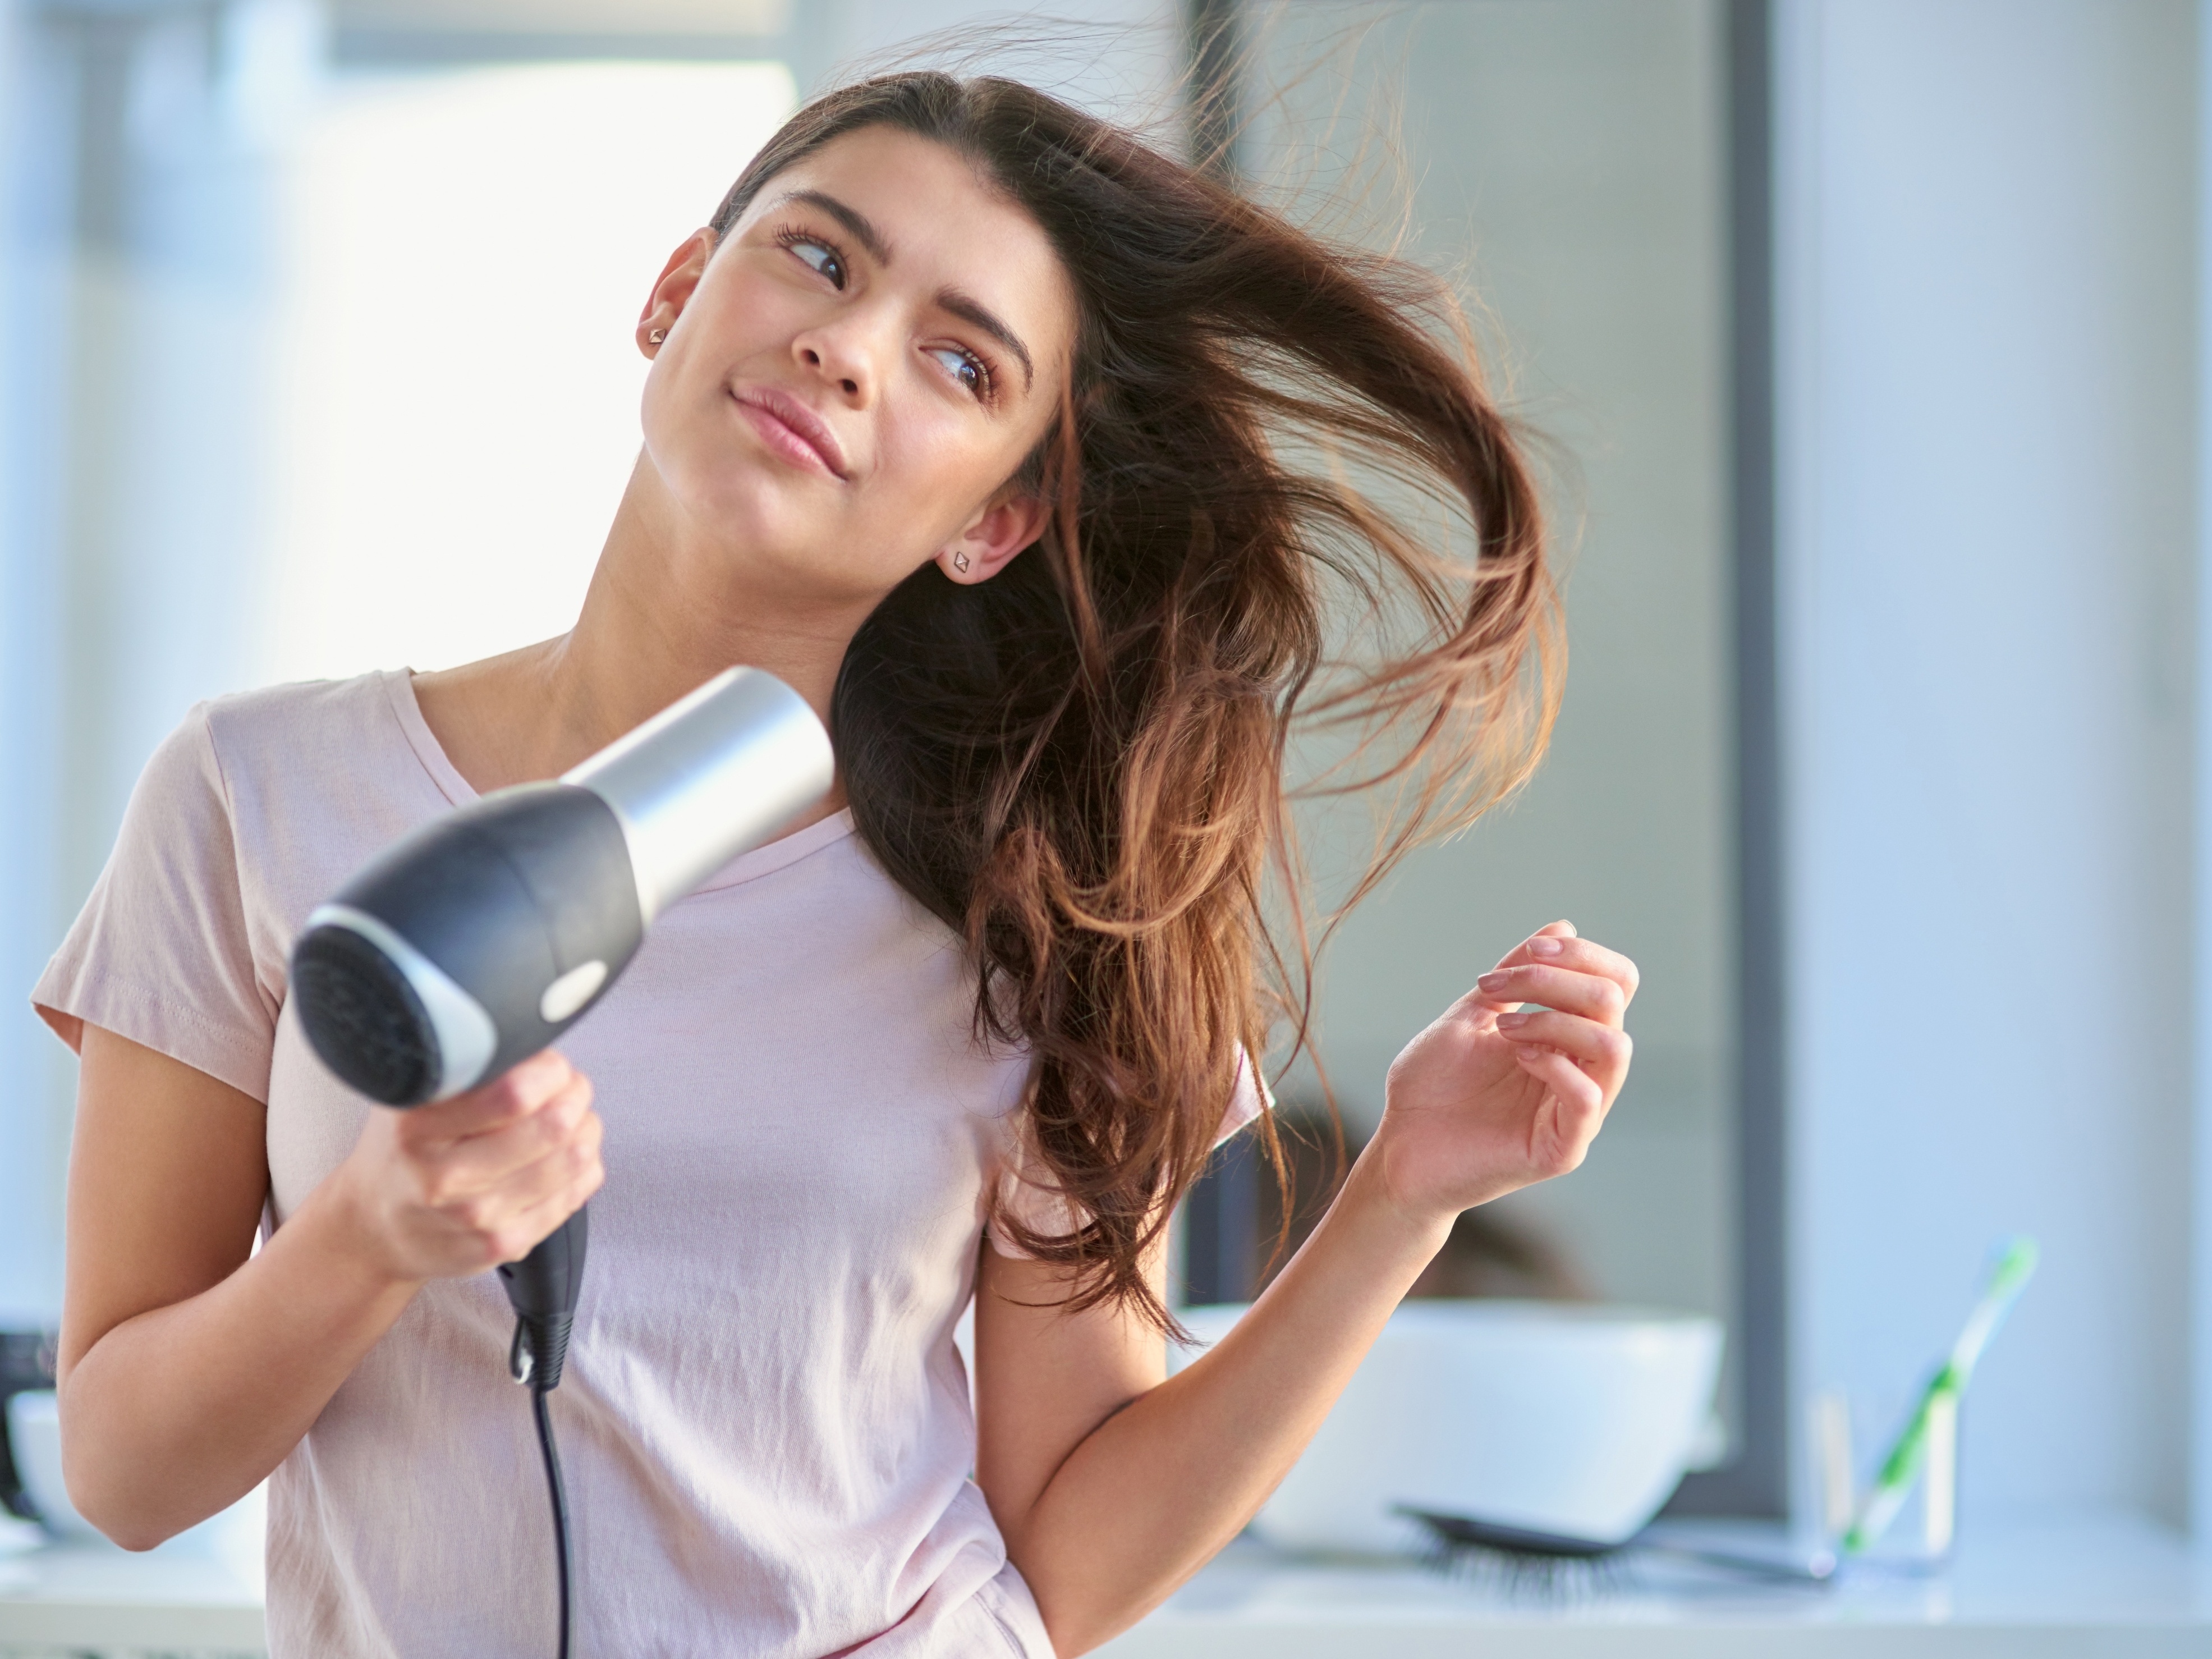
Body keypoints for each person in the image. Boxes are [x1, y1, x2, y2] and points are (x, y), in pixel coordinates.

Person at [33, 71, 1639, 1658]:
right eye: (819, 256)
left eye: (958, 359)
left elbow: (1069, 1561)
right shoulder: (259, 795)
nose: (847, 349)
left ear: (993, 524)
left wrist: (1403, 1198)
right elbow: (121, 1471)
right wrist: (368, 1232)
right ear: (676, 294)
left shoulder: (1036, 919)